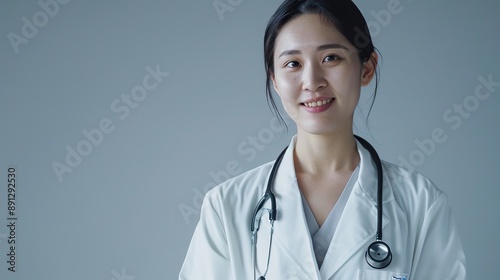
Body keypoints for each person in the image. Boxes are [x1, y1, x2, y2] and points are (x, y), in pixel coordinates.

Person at [179, 0, 466, 279]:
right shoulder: (227, 206)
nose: (312, 81)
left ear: (366, 68)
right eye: (293, 63)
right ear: (275, 80)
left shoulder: (420, 203)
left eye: (331, 58)